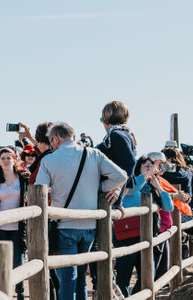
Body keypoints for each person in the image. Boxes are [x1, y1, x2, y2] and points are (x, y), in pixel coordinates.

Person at [35, 122, 127, 300]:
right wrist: (100, 188)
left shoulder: (48, 160)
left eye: (51, 141)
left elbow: (39, 189)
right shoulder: (93, 154)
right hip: (89, 225)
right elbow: (121, 176)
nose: (51, 145)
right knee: (80, 280)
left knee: (68, 279)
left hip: (64, 225)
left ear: (55, 138)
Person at [91, 101, 137, 295]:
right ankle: (106, 288)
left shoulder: (117, 135)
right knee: (98, 245)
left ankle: (108, 289)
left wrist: (117, 188)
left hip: (107, 197)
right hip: (107, 197)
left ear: (106, 118)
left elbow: (128, 165)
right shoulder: (120, 134)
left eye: (102, 118)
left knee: (98, 245)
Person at [114, 155, 173, 296]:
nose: (150, 169)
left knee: (148, 276)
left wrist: (158, 186)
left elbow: (169, 207)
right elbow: (133, 189)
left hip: (146, 236)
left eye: (152, 167)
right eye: (146, 166)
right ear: (138, 167)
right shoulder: (129, 183)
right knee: (123, 277)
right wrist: (147, 174)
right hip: (126, 236)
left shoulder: (151, 186)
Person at [0, 148, 29, 300]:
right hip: (0, 227)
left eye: (8, 158)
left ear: (14, 159)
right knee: (0, 263)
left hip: (18, 227)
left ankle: (20, 292)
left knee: (18, 260)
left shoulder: (23, 179)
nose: (5, 161)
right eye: (2, 158)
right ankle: (2, 293)